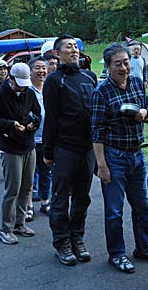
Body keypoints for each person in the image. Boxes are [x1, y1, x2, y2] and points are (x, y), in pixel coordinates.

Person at [92, 43, 148, 274]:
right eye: (118, 63)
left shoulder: (138, 84)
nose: (123, 67)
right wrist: (101, 165)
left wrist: (144, 113)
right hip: (114, 157)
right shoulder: (101, 92)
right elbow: (97, 131)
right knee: (114, 211)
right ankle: (117, 254)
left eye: (126, 62)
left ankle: (144, 247)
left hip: (137, 155)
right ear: (108, 66)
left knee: (143, 206)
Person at [43, 34, 98, 266]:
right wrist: (48, 151)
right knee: (60, 198)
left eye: (76, 46)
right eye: (68, 47)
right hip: (64, 148)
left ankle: (77, 238)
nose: (74, 50)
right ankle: (62, 242)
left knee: (82, 198)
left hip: (88, 149)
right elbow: (51, 118)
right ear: (57, 53)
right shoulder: (54, 81)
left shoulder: (90, 76)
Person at [0, 62, 41, 245]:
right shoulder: (0, 94)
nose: (21, 87)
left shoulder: (29, 92)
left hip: (28, 144)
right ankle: (5, 229)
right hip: (10, 147)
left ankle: (20, 223)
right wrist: (10, 124)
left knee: (27, 187)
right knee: (12, 189)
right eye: (19, 83)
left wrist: (34, 123)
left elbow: (37, 113)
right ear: (10, 78)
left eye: (25, 83)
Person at [29, 56, 51, 217]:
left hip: (47, 138)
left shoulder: (51, 88)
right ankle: (28, 205)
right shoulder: (27, 89)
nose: (41, 71)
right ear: (30, 71)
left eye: (44, 67)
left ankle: (45, 201)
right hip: (30, 138)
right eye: (37, 68)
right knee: (29, 174)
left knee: (46, 173)